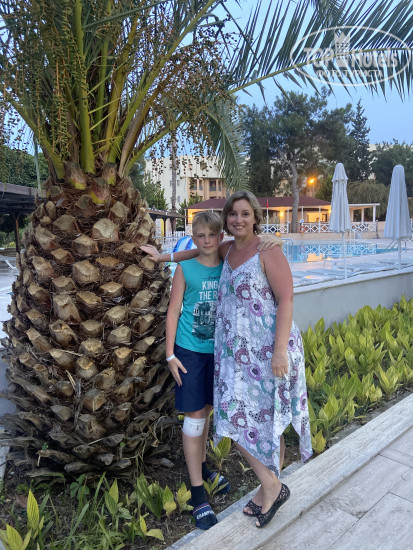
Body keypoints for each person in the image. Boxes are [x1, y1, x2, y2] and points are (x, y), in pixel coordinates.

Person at [213, 190, 312, 528]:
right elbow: (199, 250)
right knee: (253, 419)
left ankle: (271, 487)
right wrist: (164, 257)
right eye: (233, 214)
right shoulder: (226, 250)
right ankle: (270, 487)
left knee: (244, 418)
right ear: (226, 218)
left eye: (245, 213)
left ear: (255, 217)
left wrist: (280, 350)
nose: (238, 219)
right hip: (240, 357)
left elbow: (286, 300)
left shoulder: (268, 250)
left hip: (270, 350)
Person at [162, 211, 229, 530]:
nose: (206, 241)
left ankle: (202, 467)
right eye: (200, 236)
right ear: (193, 237)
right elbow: (173, 311)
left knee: (207, 410)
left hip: (218, 353)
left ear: (220, 237)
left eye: (212, 235)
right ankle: (197, 494)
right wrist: (170, 355)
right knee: (194, 417)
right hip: (189, 352)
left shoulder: (226, 264)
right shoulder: (185, 269)